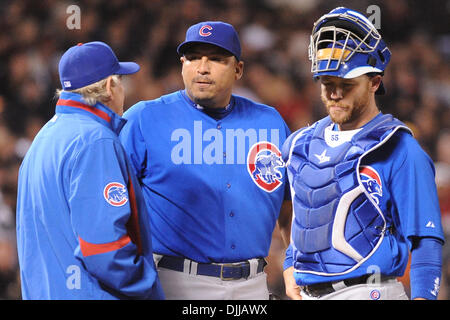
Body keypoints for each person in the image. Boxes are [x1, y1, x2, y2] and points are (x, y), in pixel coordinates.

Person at [119, 21, 292, 300]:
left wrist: (293, 262)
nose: (202, 67)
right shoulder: (144, 119)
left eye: (216, 59)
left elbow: (289, 206)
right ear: (181, 64)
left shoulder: (270, 122)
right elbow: (112, 204)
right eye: (193, 58)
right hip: (175, 283)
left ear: (238, 69)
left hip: (254, 285)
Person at [282, 7, 445, 300]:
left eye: (346, 85)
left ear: (374, 82)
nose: (334, 94)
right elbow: (301, 217)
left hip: (370, 290)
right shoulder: (299, 144)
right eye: (327, 84)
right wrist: (288, 266)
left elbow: (425, 240)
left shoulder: (399, 147)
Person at [16, 41, 164, 300]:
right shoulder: (95, 140)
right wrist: (148, 285)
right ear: (109, 87)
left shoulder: (45, 136)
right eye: (121, 81)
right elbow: (104, 248)